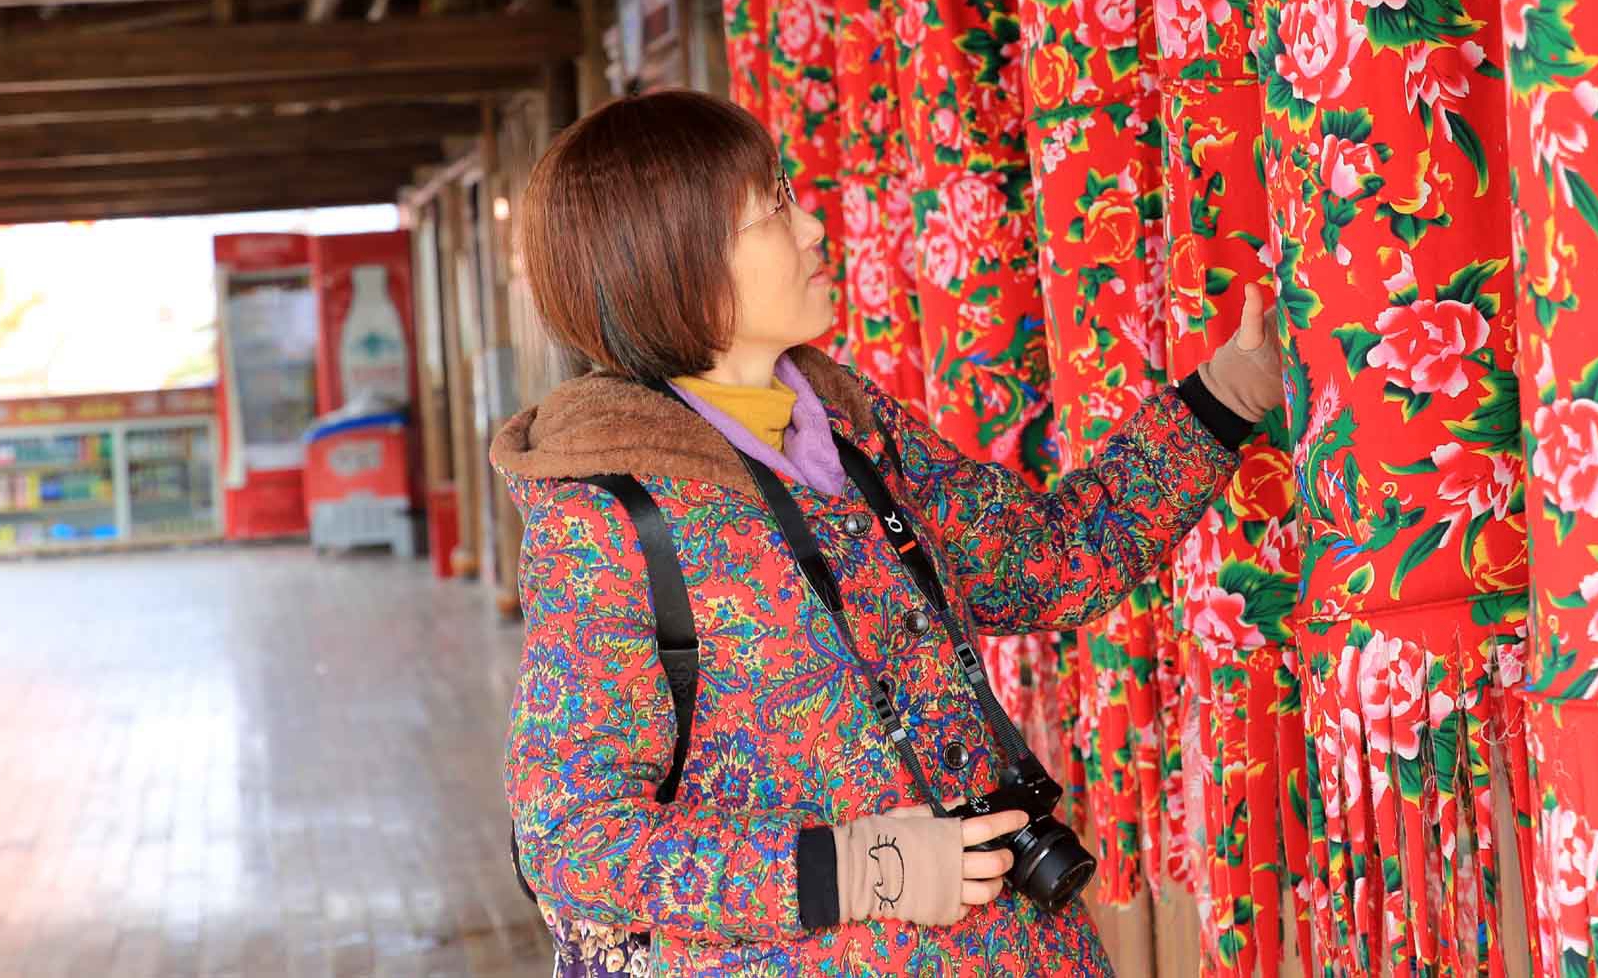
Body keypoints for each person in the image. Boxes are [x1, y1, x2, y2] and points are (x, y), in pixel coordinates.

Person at [495, 91, 1283, 975]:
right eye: (774, 210)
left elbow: (1053, 562)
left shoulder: (850, 425)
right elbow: (569, 839)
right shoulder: (609, 514)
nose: (812, 230)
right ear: (674, 265)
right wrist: (854, 871)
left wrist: (1223, 398)